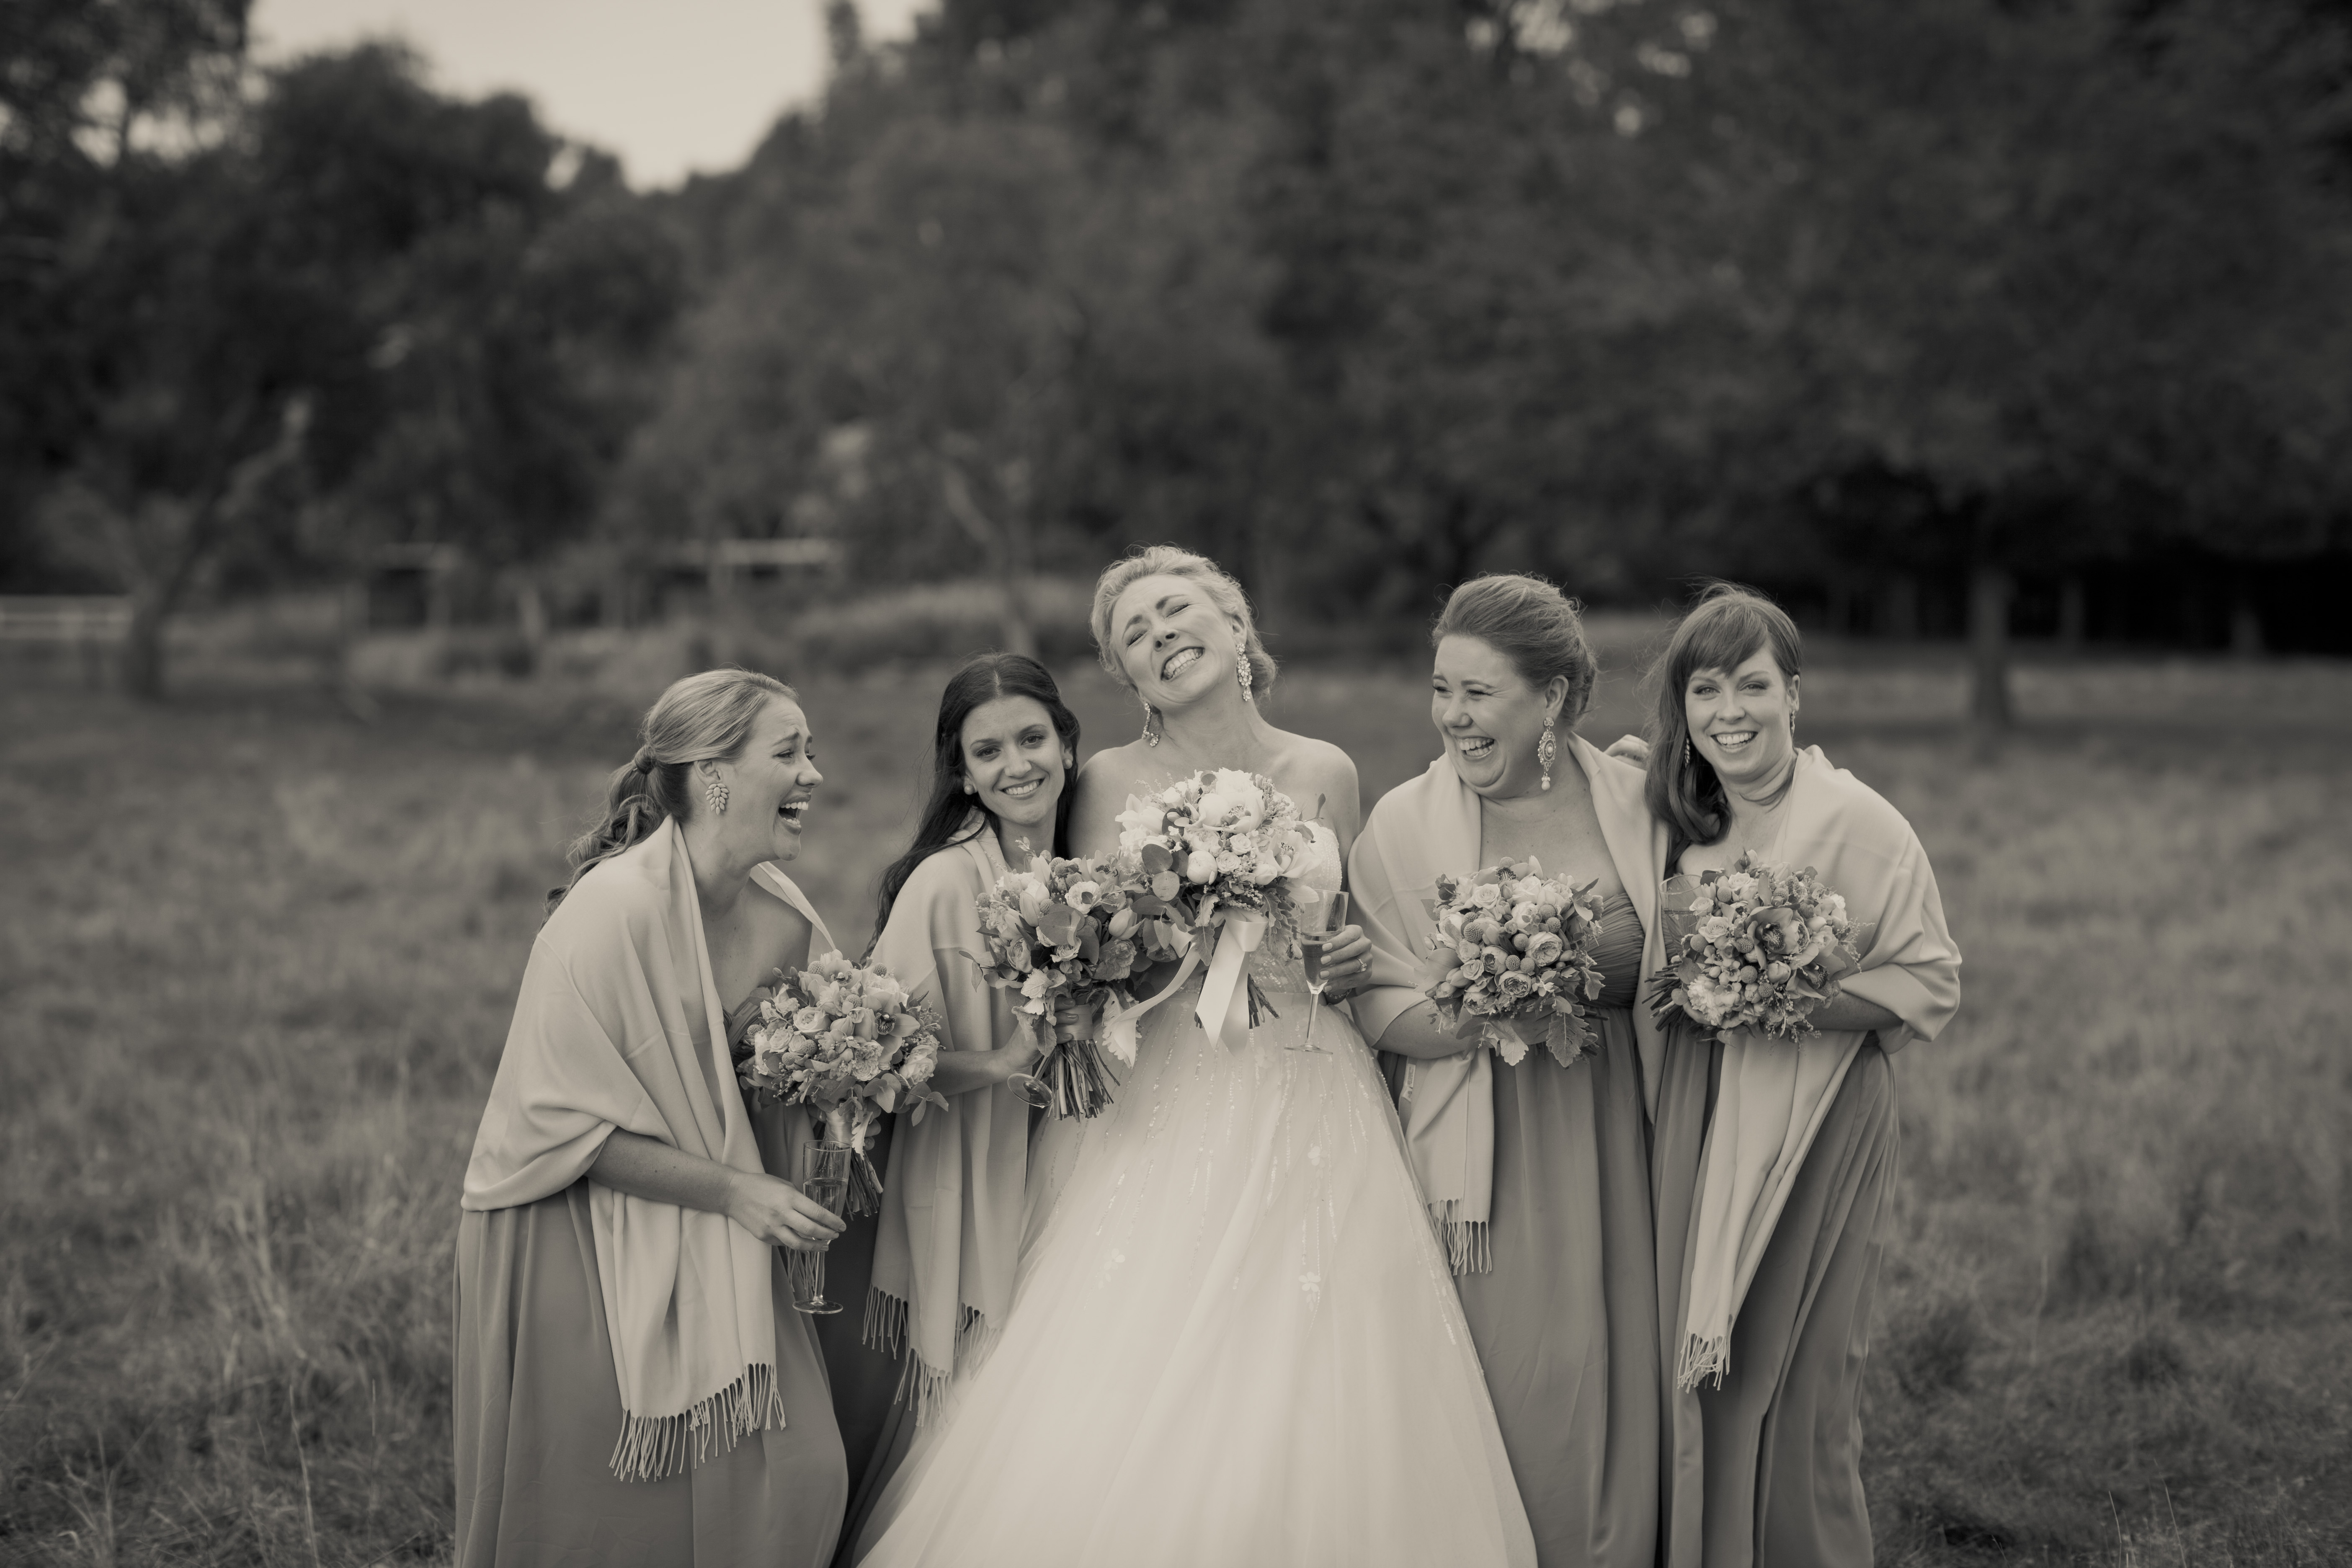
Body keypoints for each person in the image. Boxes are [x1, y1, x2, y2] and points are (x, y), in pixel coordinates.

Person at [854, 547, 1536, 1568]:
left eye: (1175, 610)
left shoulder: (1327, 769)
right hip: (1165, 1089)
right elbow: (1092, 948)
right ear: (1125, 677)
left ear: (1234, 623)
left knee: (1327, 1340)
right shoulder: (1106, 783)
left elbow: (1338, 942)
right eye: (1133, 634)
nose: (1160, 635)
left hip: (1313, 1081)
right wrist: (1182, 918)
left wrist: (1342, 963)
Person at [452, 668, 851, 1568]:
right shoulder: (613, 909)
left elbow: (798, 1069)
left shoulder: (786, 919)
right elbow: (562, 1127)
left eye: (812, 751)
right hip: (566, 1225)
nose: (814, 775)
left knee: (804, 1475)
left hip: (730, 1205)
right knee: (606, 1515)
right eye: (789, 752)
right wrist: (737, 1191)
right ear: (713, 775)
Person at [1640, 586, 1961, 1568]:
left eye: (1751, 685)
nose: (1729, 711)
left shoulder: (1859, 823)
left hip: (1820, 1121)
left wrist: (1773, 998)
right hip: (1699, 1114)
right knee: (1704, 1376)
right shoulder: (1679, 829)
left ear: (1793, 695)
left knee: (1803, 1380)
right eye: (1705, 690)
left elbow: (1929, 981)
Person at [1350, 574, 1663, 1568]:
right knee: (1522, 1380)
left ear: (1554, 697)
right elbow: (1375, 1004)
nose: (1453, 716)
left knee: (1631, 1371)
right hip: (1485, 1156)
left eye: (1478, 693)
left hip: (1631, 1134)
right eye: (1442, 689)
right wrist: (1483, 1014)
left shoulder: (1643, 804)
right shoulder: (1402, 825)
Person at [830, 655, 1069, 1560]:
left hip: (1074, 1156)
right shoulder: (944, 883)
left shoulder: (1091, 868)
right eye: (988, 751)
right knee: (982, 1395)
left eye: (1033, 739)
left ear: (1068, 743)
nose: (1017, 766)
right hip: (982, 1163)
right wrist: (1002, 1061)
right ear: (962, 773)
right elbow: (878, 1064)